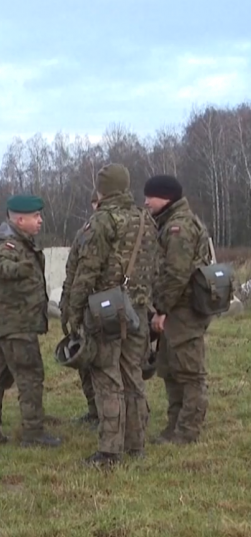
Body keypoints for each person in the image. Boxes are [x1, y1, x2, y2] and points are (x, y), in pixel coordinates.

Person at [65, 163, 159, 466]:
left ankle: (109, 451)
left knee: (107, 377)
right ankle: (136, 444)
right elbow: (153, 267)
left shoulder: (102, 221)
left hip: (106, 310)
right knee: (133, 376)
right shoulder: (146, 219)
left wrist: (73, 311)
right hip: (138, 311)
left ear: (102, 189)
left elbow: (86, 271)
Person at [0, 194, 61, 447]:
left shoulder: (21, 242)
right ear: (20, 219)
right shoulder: (7, 245)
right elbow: (0, 266)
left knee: (0, 376)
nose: (40, 221)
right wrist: (20, 269)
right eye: (36, 217)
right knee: (30, 376)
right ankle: (33, 433)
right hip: (15, 324)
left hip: (11, 322)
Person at [144, 174, 214, 445]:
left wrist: (160, 309)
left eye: (150, 196)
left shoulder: (179, 228)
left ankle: (187, 432)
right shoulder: (170, 223)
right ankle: (174, 427)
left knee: (189, 373)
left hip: (183, 310)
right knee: (171, 370)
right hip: (177, 309)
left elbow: (176, 274)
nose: (146, 201)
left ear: (166, 198)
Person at [60, 191, 99, 429]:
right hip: (85, 306)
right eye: (94, 203)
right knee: (84, 362)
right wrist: (69, 305)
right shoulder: (84, 233)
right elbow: (73, 272)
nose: (97, 207)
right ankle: (94, 410)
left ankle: (112, 415)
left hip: (108, 308)